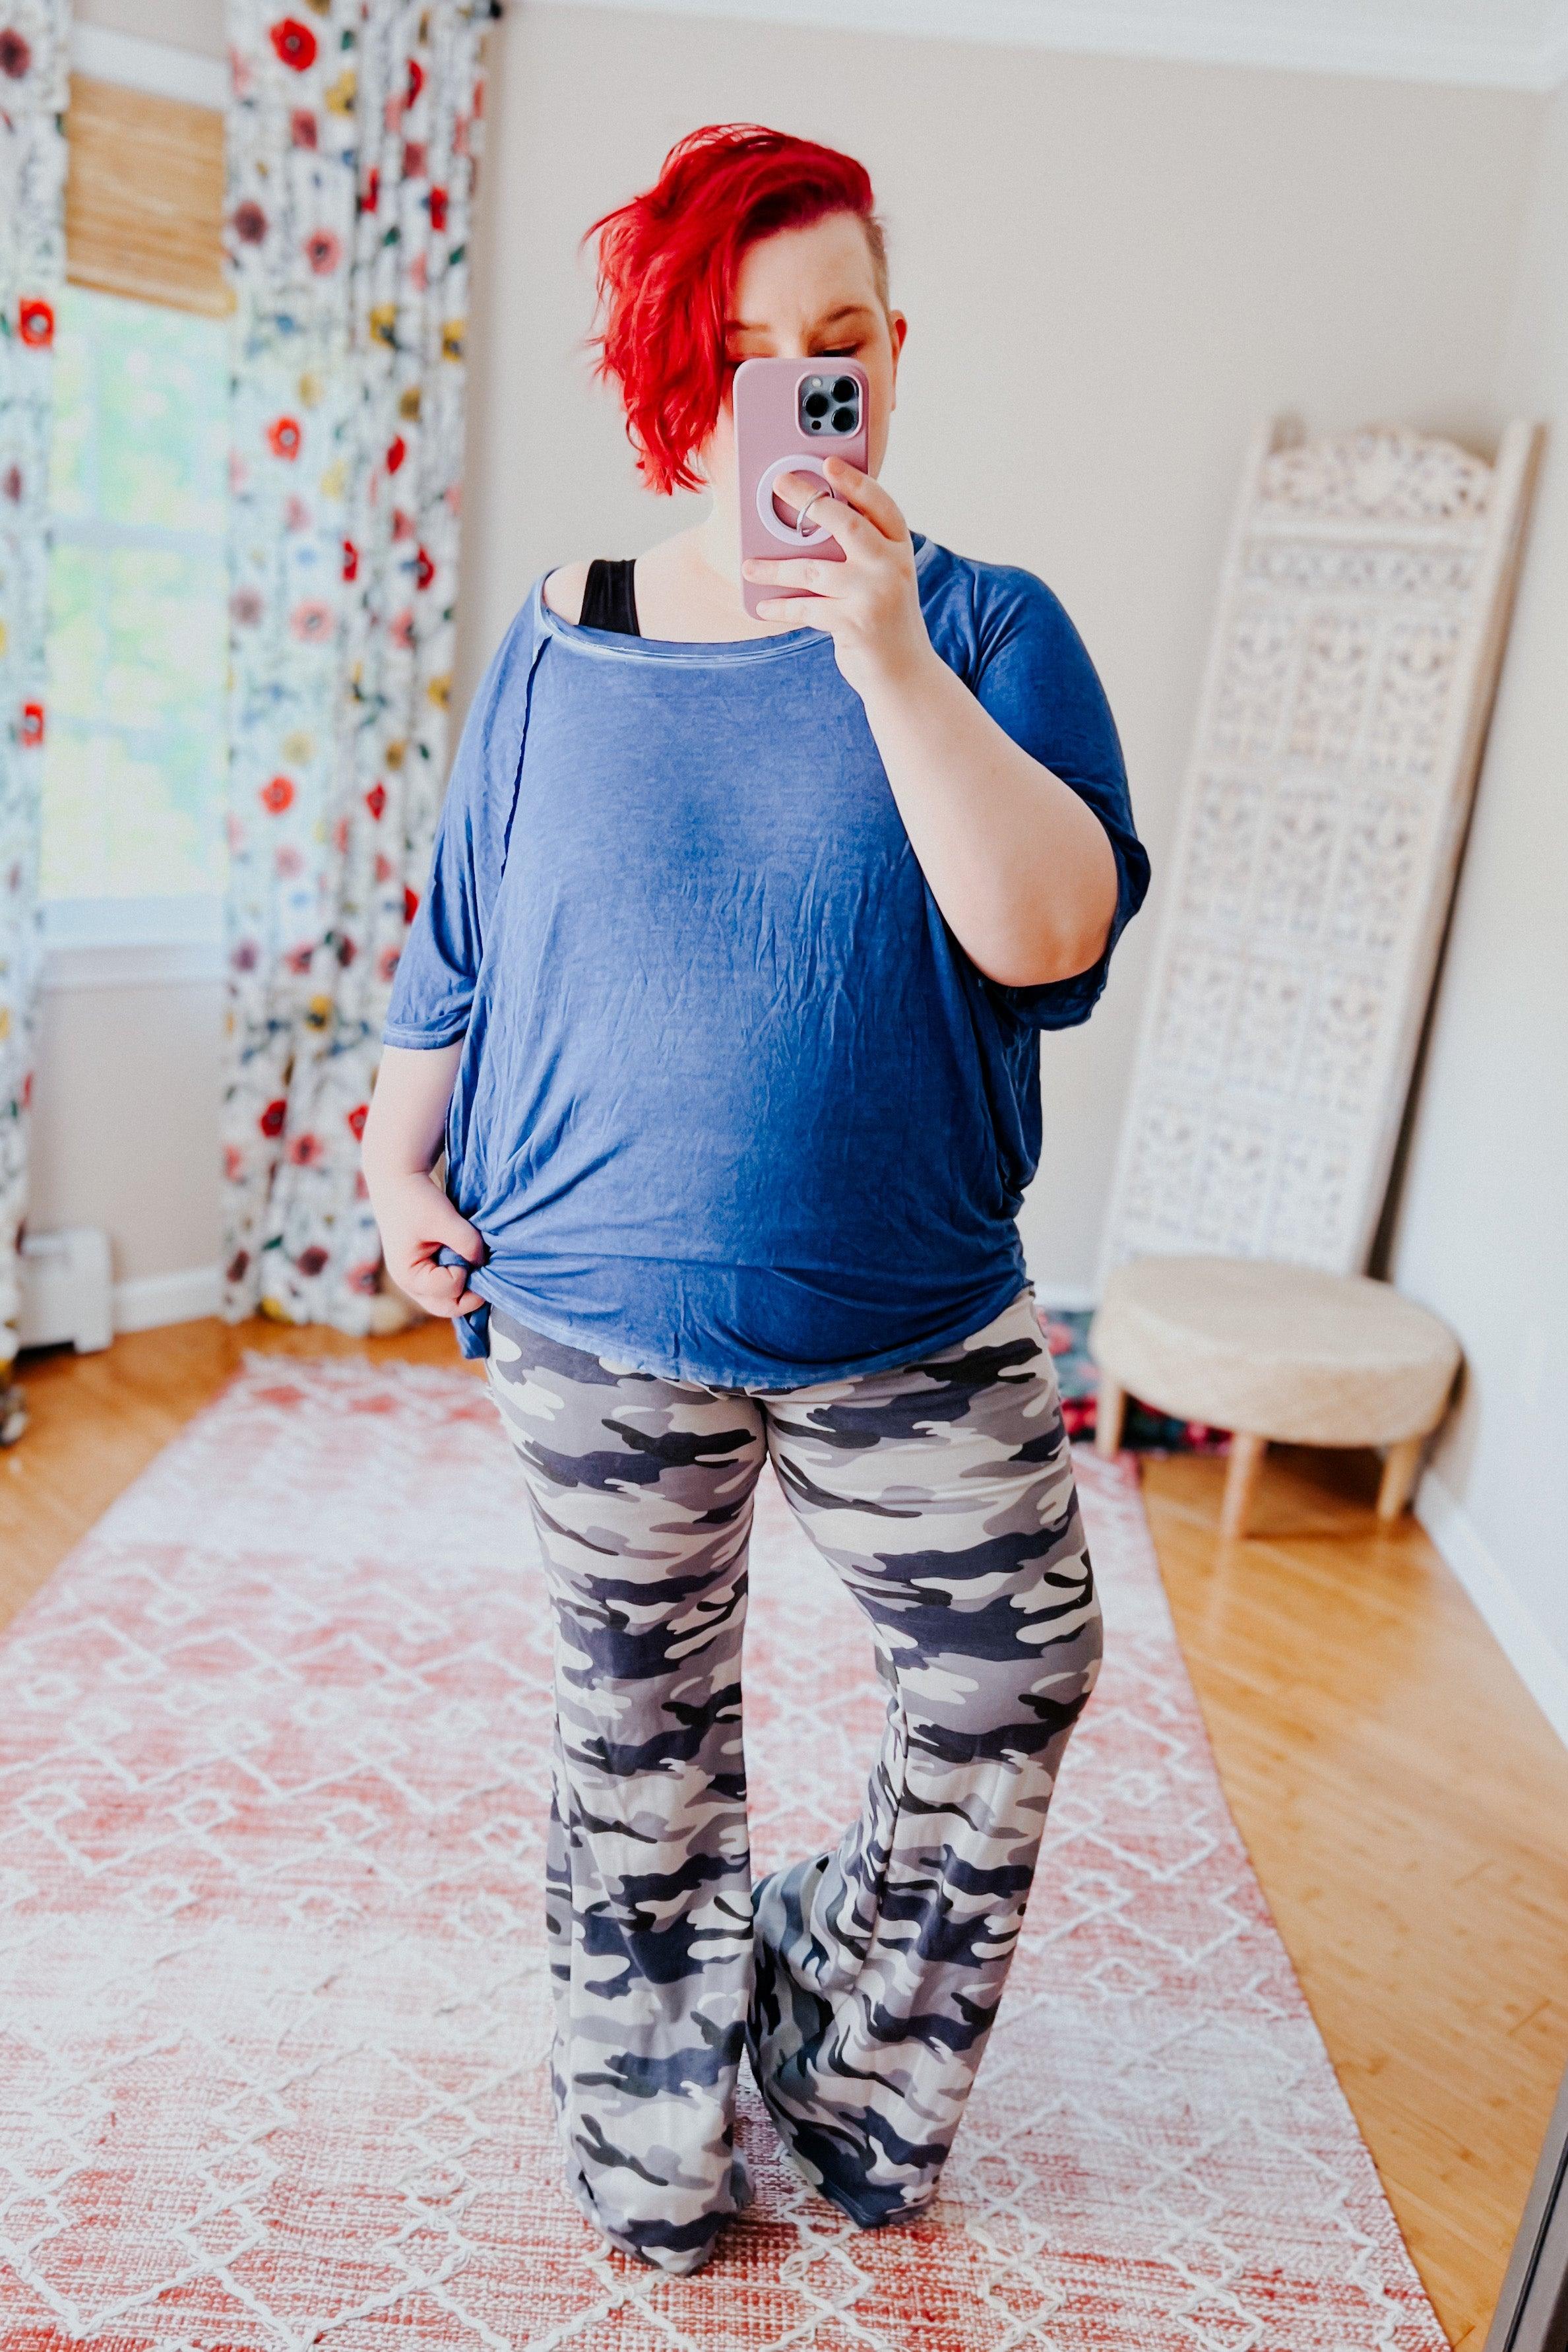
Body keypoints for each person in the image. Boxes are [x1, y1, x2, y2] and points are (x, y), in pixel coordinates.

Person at [361, 122, 1150, 2277]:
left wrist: (882, 656)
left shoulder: (988, 627)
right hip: (588, 1302)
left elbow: (1050, 937)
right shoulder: (561, 634)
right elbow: (462, 934)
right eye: (734, 354)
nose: (791, 393)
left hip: (912, 1307)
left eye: (833, 348)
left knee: (1013, 1677)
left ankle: (840, 2049)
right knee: (641, 1733)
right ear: (667, 379)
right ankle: (647, 2140)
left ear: (891, 355)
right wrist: (392, 1154)